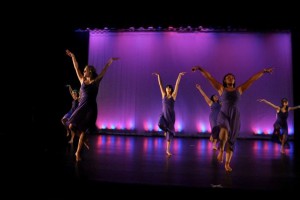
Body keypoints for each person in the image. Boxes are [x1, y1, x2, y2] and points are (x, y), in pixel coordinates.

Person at [192, 66, 273, 172]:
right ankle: (221, 150)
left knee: (231, 141)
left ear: (234, 80)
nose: (230, 78)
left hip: (235, 116)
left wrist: (263, 71)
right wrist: (200, 69)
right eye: (228, 77)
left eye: (232, 77)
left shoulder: (239, 89)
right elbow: (209, 77)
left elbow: (252, 79)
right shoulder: (221, 89)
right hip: (223, 114)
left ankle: (227, 163)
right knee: (224, 130)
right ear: (225, 81)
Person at [66, 49, 119, 162]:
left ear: (90, 71)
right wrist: (73, 57)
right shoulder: (82, 80)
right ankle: (84, 138)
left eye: (85, 70)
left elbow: (104, 71)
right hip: (81, 107)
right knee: (71, 126)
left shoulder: (96, 81)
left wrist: (110, 62)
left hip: (91, 109)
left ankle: (78, 153)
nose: (84, 72)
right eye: (84, 70)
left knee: (84, 130)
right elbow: (76, 67)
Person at [153, 72, 186, 156]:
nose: (167, 88)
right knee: (159, 123)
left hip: (170, 116)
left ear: (171, 90)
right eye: (166, 88)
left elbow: (177, 85)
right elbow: (160, 85)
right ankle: (165, 130)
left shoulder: (173, 96)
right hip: (163, 115)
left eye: (169, 88)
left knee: (168, 136)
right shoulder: (163, 95)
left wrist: (179, 76)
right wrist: (159, 76)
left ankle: (167, 150)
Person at [195, 84, 221, 150]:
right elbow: (204, 95)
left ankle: (213, 138)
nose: (216, 97)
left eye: (217, 96)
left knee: (220, 131)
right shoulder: (211, 102)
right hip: (213, 117)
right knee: (216, 129)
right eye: (214, 96)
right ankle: (214, 145)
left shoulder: (220, 103)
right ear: (212, 98)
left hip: (220, 118)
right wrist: (199, 88)